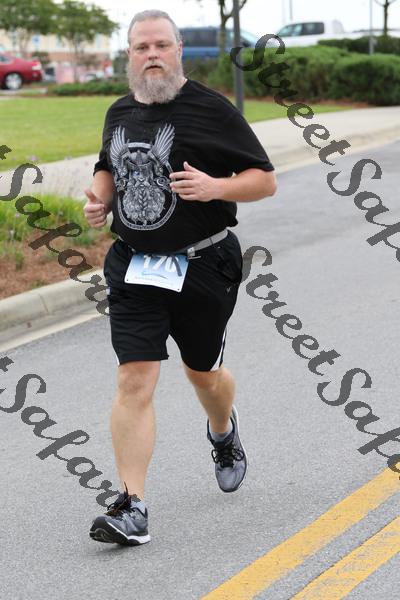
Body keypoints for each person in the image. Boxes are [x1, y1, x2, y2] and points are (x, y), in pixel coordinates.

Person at [84, 9, 276, 547]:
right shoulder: (119, 111)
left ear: (178, 51)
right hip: (134, 266)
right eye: (141, 47)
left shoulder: (212, 110)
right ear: (129, 55)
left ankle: (223, 431)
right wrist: (99, 199)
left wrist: (217, 188)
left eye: (161, 45)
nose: (152, 55)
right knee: (134, 379)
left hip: (204, 265)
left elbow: (264, 181)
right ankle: (133, 506)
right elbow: (107, 166)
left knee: (203, 374)